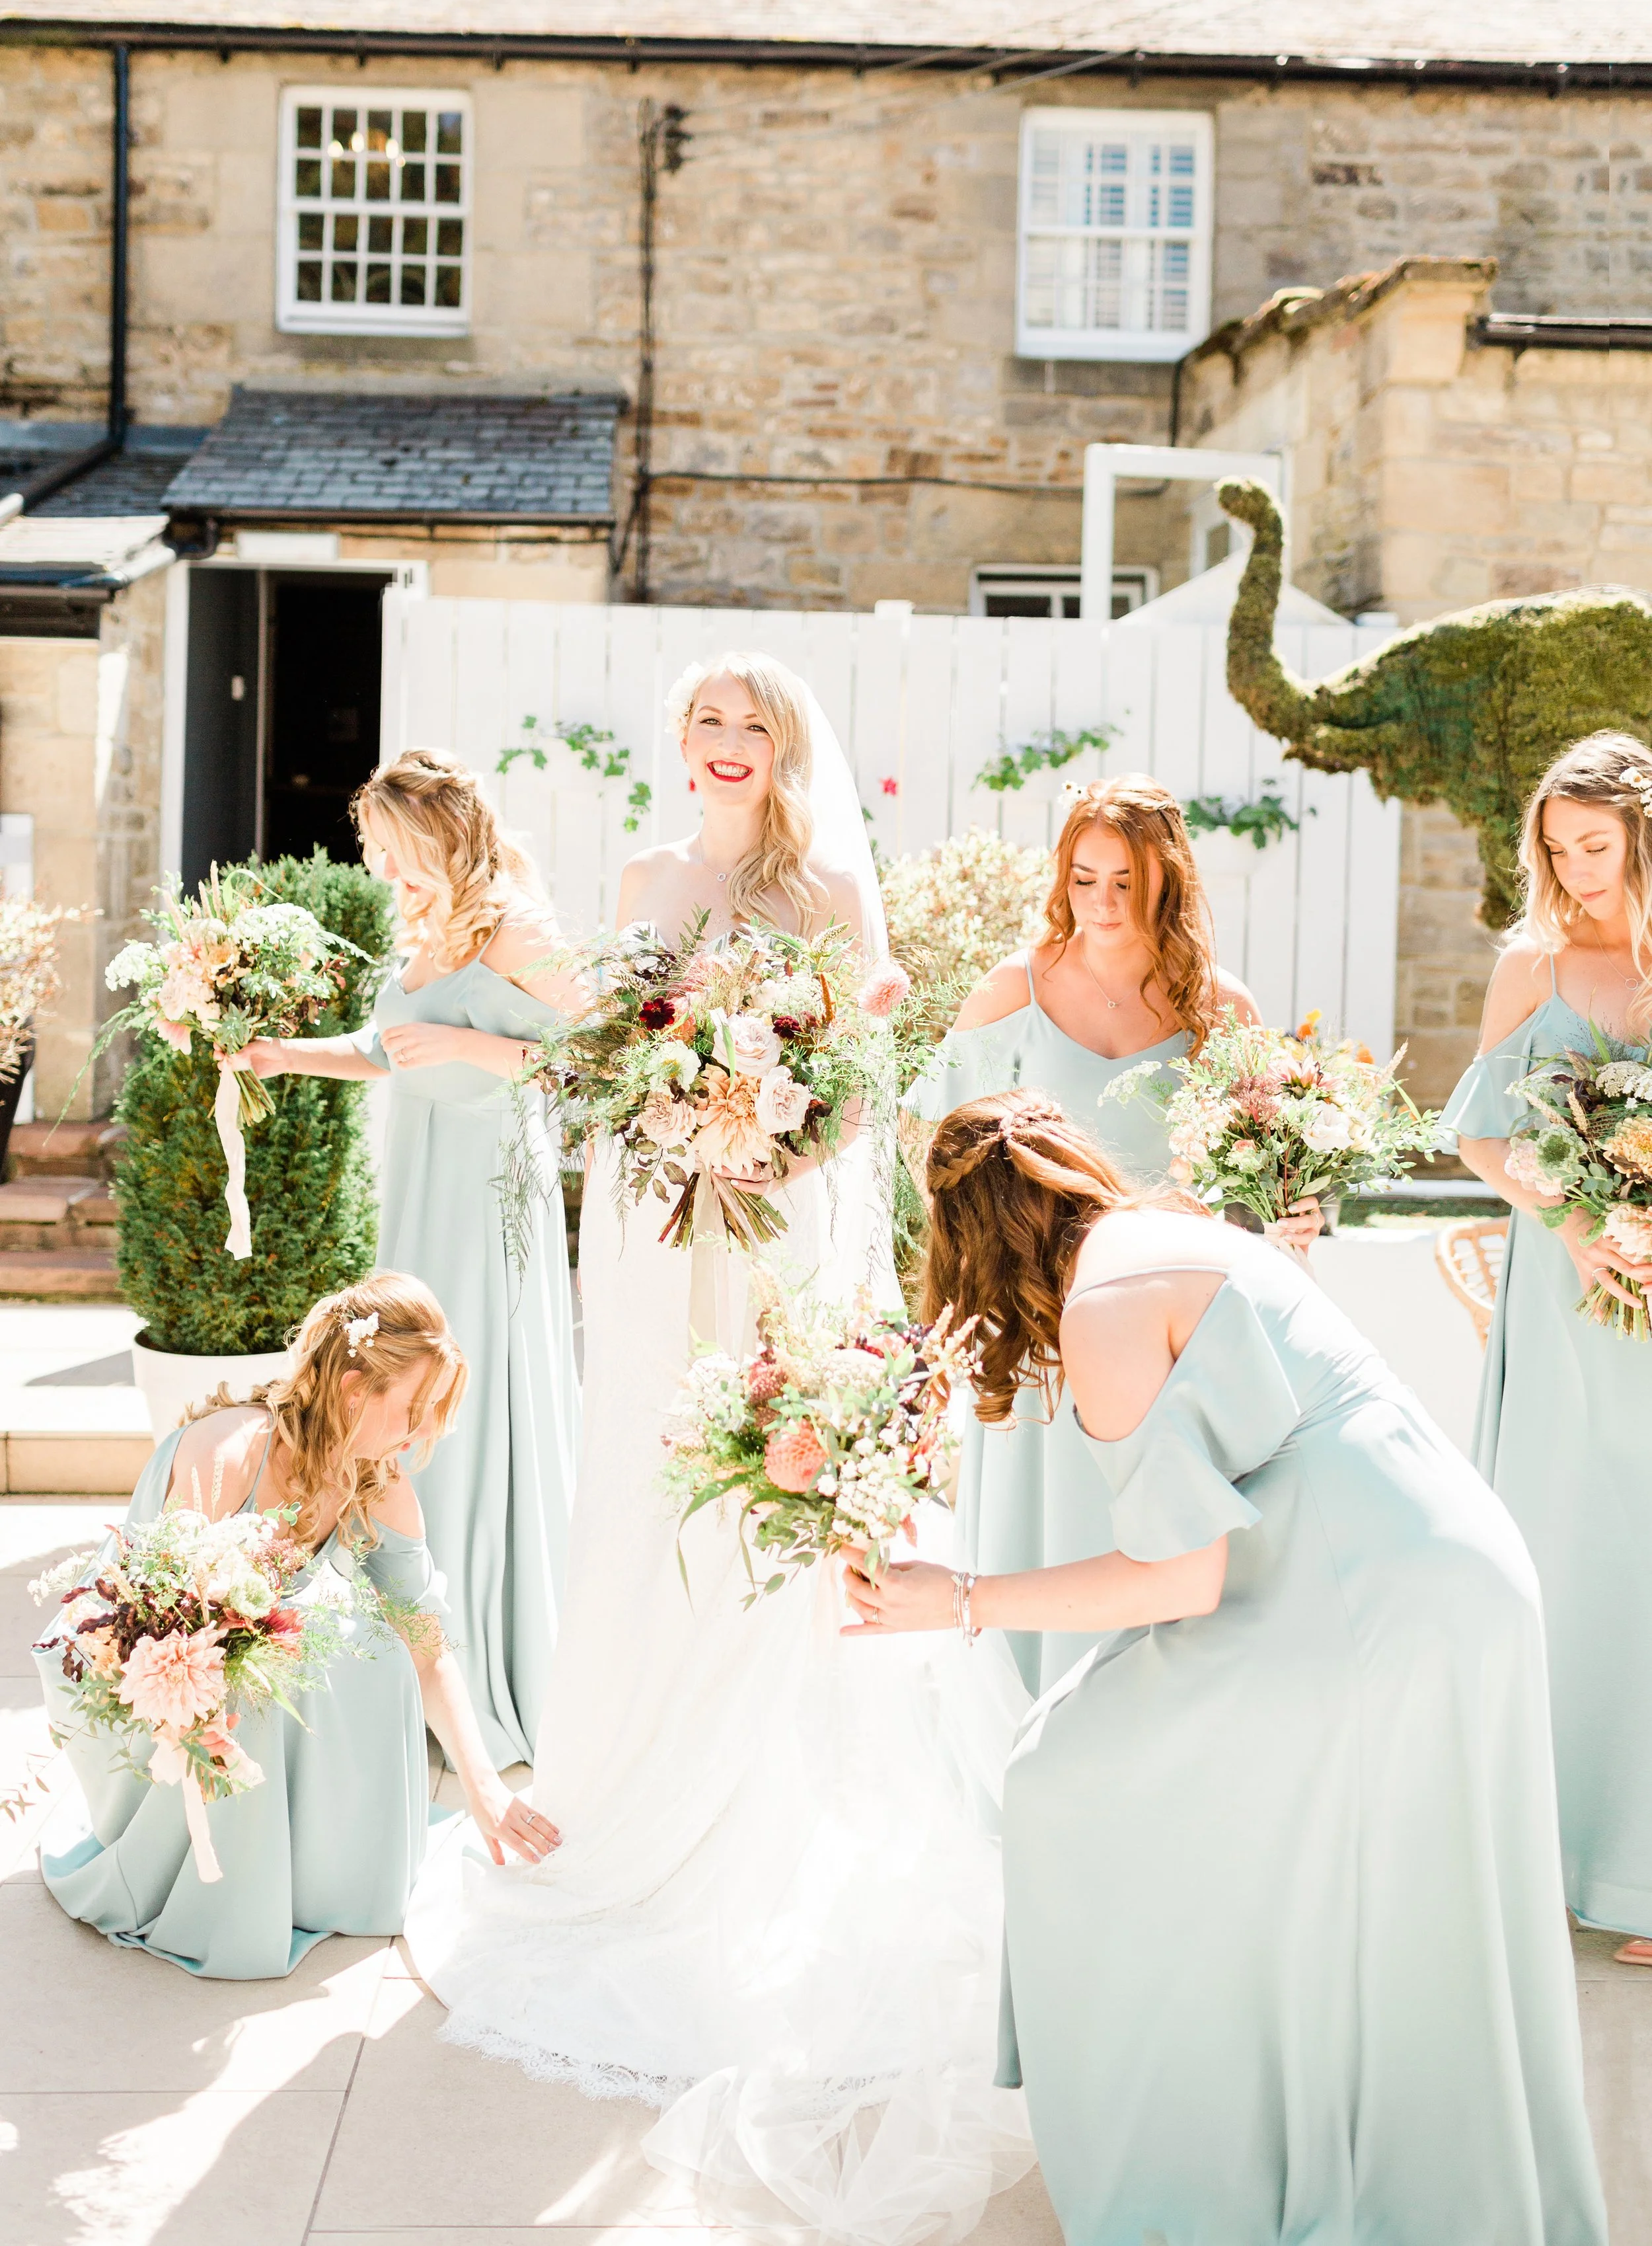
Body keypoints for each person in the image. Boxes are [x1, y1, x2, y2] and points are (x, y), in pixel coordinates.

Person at [406, 656, 1035, 2246]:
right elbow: (619, 1046)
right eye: (709, 724)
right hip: (647, 1205)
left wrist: (774, 1128)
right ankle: (624, 1771)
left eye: (754, 725)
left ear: (786, 742)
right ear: (681, 743)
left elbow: (868, 1049)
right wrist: (676, 1115)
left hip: (779, 1206)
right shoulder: (639, 872)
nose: (731, 746)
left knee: (773, 1470)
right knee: (650, 1468)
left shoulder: (825, 875)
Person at [843, 1093, 1606, 2246]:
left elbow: (1178, 1581)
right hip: (1439, 1574)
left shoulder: (1103, 1299)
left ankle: (1204, 2148)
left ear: (975, 1242)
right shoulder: (1178, 1233)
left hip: (1365, 1601)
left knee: (1069, 1779)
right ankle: (1308, 2132)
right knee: (1349, 1875)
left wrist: (956, 1601)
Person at [907, 775, 1318, 1691]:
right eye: (1083, 877)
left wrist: (1293, 1210)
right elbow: (936, 1150)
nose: (1099, 902)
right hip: (1034, 1319)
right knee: (1038, 1533)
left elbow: (1264, 1174)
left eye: (1123, 883)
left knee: (1155, 1541)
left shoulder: (1223, 1008)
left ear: (1166, 881)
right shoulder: (1015, 988)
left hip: (1164, 1332)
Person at [32, 1275, 554, 1981]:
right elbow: (168, 1624)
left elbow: (428, 1650)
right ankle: (227, 1889)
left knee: (367, 1647)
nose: (425, 1432)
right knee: (271, 1665)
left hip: (213, 1663)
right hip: (126, 1659)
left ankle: (327, 1866)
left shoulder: (378, 1481)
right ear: (352, 1388)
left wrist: (484, 1787)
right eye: (415, 1408)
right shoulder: (230, 1453)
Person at [231, 750, 584, 1769]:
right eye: (375, 853)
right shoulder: (426, 924)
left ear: (441, 835)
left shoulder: (515, 922)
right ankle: (415, 1650)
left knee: (459, 1406)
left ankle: (483, 1661)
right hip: (421, 1195)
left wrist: (480, 1052)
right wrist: (285, 1053)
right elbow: (395, 1049)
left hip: (489, 1208)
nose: (384, 871)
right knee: (396, 1401)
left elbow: (609, 1049)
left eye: (394, 851)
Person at [1447, 729, 1652, 1963]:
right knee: (1567, 1561)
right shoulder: (1530, 965)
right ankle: (1558, 1864)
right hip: (1566, 1305)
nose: (1575, 871)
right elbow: (1475, 1136)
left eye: (1596, 845)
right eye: (1557, 849)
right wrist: (1582, 1222)